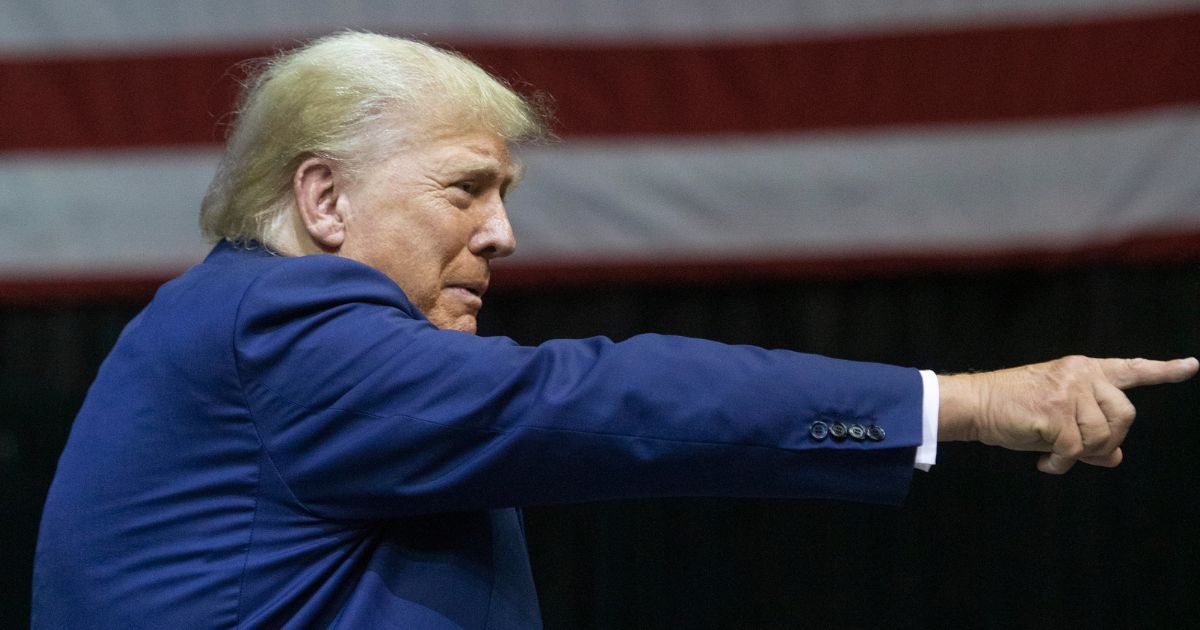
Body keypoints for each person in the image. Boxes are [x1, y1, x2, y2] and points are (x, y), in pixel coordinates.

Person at [32, 32, 1197, 629]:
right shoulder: (282, 328)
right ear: (325, 199)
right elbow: (602, 402)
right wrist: (963, 403)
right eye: (464, 190)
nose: (502, 237)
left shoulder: (253, 335)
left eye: (507, 198)